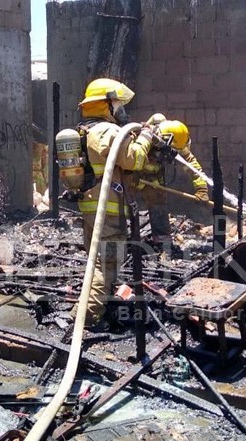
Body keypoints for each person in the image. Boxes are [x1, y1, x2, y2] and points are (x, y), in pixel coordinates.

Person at [71, 78, 157, 329]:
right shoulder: (107, 132)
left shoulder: (84, 130)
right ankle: (85, 318)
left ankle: (97, 304)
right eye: (116, 104)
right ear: (104, 105)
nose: (120, 109)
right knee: (105, 264)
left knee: (96, 260)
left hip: (91, 207)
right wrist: (146, 137)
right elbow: (135, 160)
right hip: (107, 210)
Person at [124, 115, 209, 243]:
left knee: (158, 202)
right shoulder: (142, 137)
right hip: (129, 175)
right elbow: (126, 159)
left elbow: (192, 165)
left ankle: (162, 241)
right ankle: (122, 238)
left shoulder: (177, 141)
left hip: (152, 177)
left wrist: (201, 188)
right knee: (124, 203)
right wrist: (129, 177)